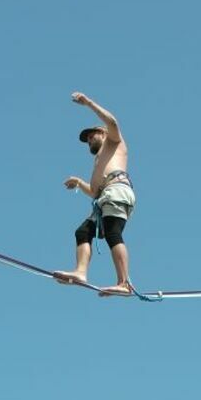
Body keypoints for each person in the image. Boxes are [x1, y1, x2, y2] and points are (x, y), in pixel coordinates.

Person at [54, 92, 136, 297]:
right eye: (88, 140)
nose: (89, 140)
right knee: (83, 232)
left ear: (103, 132)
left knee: (112, 232)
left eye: (92, 136)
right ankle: (81, 272)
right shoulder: (99, 161)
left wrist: (88, 103)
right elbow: (93, 192)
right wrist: (80, 183)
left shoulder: (114, 142)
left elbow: (113, 121)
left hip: (117, 191)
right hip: (105, 196)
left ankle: (124, 283)